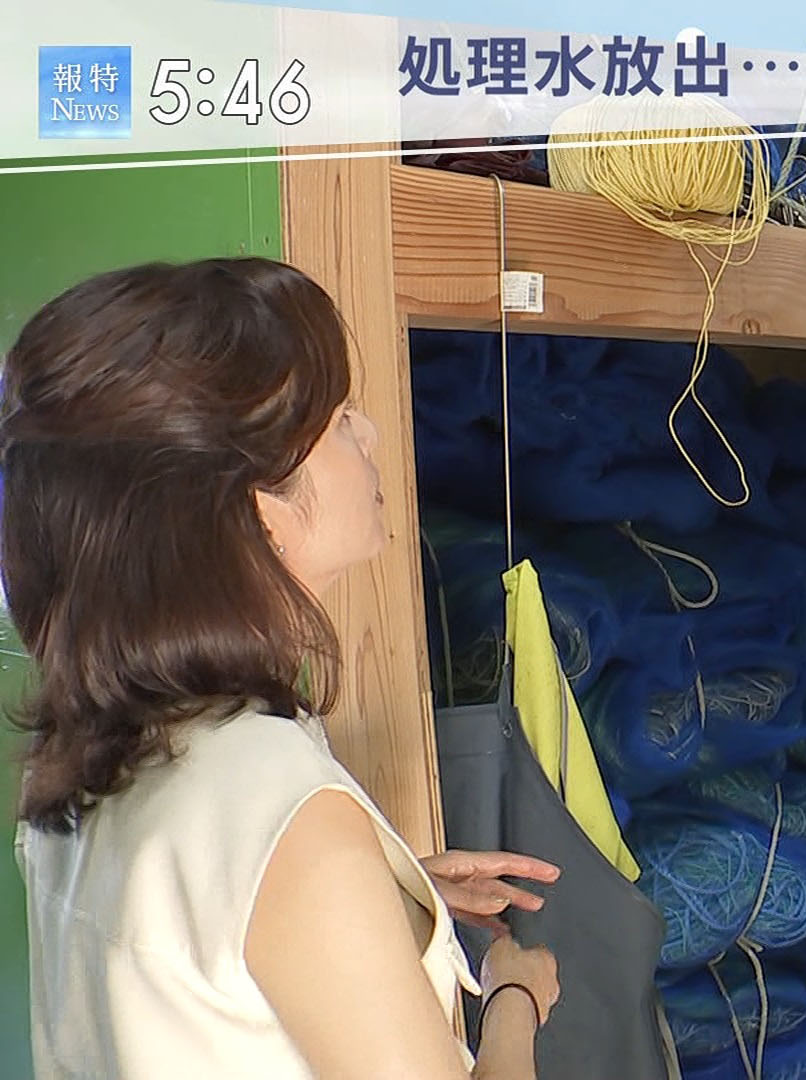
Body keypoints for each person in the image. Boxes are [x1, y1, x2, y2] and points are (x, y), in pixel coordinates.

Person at [3, 258, 564, 1079]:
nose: (369, 435)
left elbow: (200, 961)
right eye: (336, 420)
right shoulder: (286, 813)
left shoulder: (83, 751)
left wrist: (384, 902)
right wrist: (515, 997)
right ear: (259, 515)